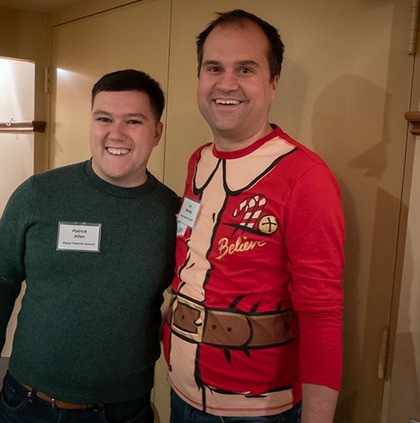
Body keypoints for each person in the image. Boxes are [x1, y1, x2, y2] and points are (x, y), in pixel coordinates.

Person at [0, 69, 180, 423]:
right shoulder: (37, 194)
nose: (116, 133)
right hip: (26, 404)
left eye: (133, 121)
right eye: (104, 118)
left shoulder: (173, 214)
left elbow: (191, 295)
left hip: (123, 411)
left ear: (157, 132)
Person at [163, 9, 345, 423]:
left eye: (245, 69)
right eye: (214, 68)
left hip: (259, 411)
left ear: (273, 83)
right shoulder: (198, 160)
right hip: (180, 393)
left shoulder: (306, 177)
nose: (226, 83)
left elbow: (321, 315)